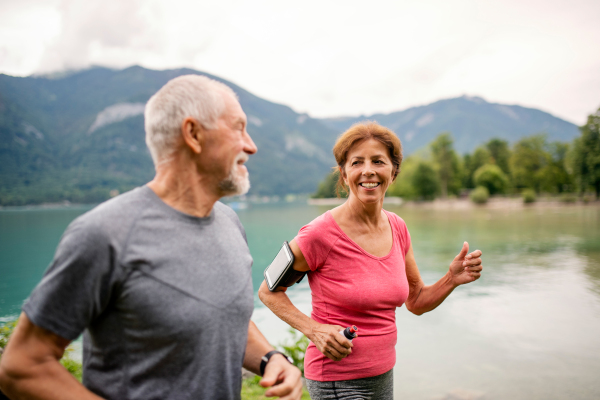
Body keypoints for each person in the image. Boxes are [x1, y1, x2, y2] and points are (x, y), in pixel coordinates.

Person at [0, 75, 302, 400]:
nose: (251, 146)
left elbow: (224, 320)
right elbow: (22, 365)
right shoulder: (105, 234)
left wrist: (271, 358)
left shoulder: (229, 222)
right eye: (238, 128)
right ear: (194, 134)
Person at [259, 122, 483, 400]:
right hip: (336, 380)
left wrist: (451, 279)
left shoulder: (398, 227)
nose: (368, 170)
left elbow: (416, 302)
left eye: (378, 161)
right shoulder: (318, 234)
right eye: (357, 162)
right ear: (343, 174)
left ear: (393, 172)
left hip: (382, 376)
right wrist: (314, 330)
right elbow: (267, 291)